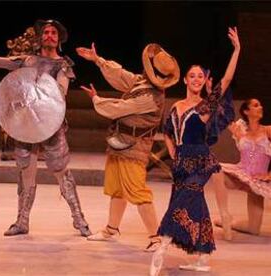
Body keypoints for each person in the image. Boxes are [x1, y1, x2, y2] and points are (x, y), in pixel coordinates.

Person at [0, 19, 91, 237]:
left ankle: (79, 220)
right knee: (26, 173)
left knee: (62, 172)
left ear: (59, 39)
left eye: (53, 33)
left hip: (51, 125)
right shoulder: (27, 61)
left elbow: (59, 95)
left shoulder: (63, 66)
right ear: (40, 37)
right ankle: (22, 221)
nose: (49, 35)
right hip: (25, 125)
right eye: (46, 32)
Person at [149, 27, 240, 275]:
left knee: (180, 203)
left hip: (199, 161)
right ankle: (200, 257)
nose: (197, 79)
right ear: (186, 80)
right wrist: (174, 153)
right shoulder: (176, 106)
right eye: (193, 76)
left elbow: (226, 81)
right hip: (181, 162)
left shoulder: (204, 107)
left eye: (201, 76)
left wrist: (237, 50)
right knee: (196, 206)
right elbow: (168, 133)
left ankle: (163, 244)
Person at [76, 43, 180, 251]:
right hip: (121, 142)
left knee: (136, 190)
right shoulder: (142, 83)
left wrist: (96, 99)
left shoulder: (152, 96)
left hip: (135, 147)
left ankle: (156, 237)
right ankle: (111, 229)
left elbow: (120, 108)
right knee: (117, 188)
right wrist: (98, 60)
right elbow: (121, 76)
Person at [211, 99, 271, 240]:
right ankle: (225, 215)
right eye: (256, 105)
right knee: (215, 170)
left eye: (260, 104)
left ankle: (228, 223)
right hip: (241, 174)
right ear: (246, 111)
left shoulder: (268, 130)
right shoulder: (239, 130)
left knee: (253, 229)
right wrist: (210, 92)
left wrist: (269, 174)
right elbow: (221, 113)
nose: (260, 107)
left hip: (257, 181)